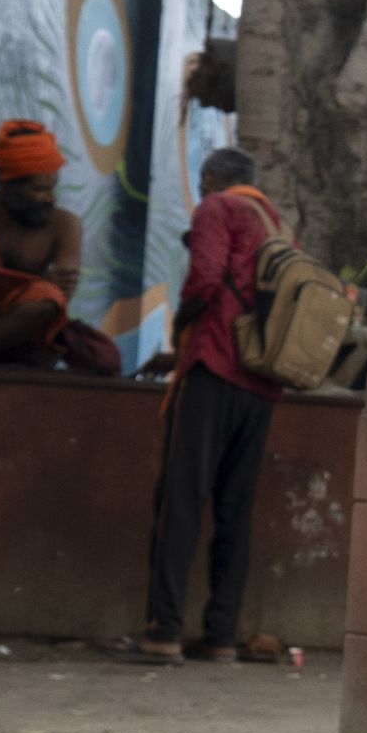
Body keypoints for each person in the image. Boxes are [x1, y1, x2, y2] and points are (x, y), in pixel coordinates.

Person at [115, 146, 289, 664]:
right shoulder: (275, 224)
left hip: (214, 366)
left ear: (212, 178)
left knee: (181, 502)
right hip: (261, 381)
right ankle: (220, 636)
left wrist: (180, 330)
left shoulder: (218, 208)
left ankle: (164, 629)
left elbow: (206, 278)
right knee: (235, 511)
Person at [0, 119, 118, 371]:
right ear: (6, 183)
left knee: (48, 297)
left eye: (52, 188)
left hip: (27, 327)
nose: (49, 198)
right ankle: (3, 349)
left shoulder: (65, 224)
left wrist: (33, 293)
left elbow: (60, 292)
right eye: (39, 189)